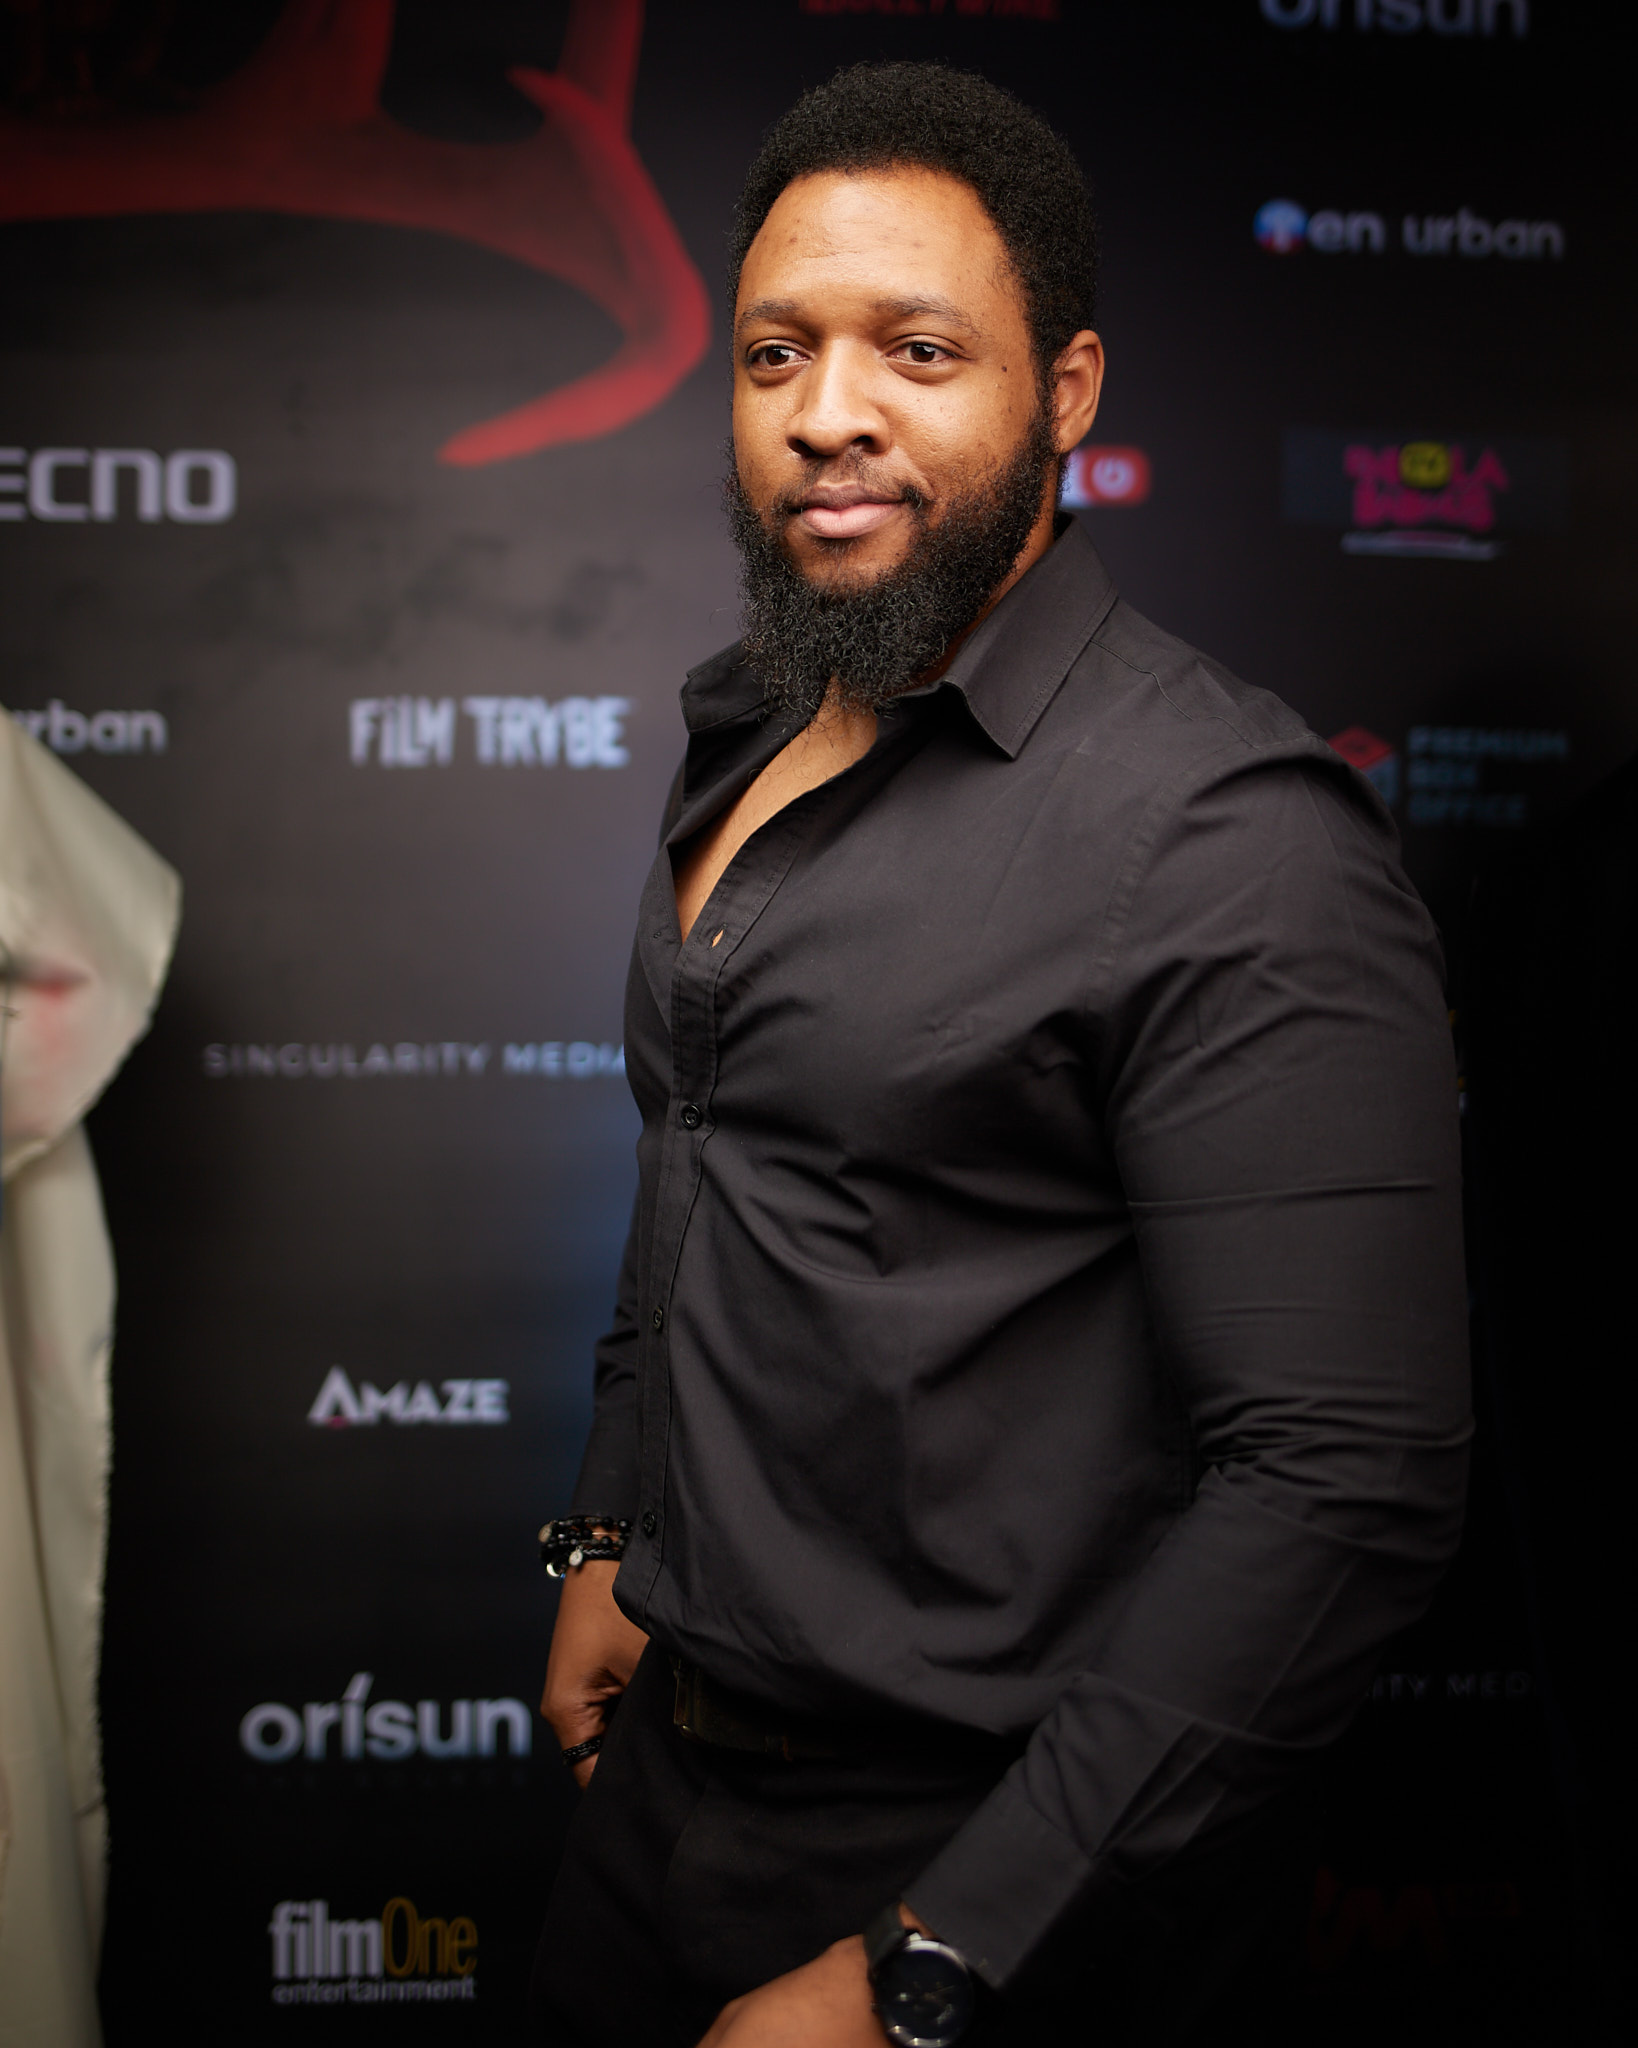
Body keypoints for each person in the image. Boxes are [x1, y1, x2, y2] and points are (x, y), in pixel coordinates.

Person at [533, 60, 1470, 2048]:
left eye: (917, 349)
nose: (826, 410)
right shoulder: (748, 729)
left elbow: (1344, 1482)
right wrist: (611, 1539)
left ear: (1066, 391)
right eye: (775, 352)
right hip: (661, 1784)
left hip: (980, 1863)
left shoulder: (1225, 834)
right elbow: (698, 1180)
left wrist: (926, 1963)